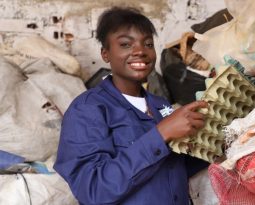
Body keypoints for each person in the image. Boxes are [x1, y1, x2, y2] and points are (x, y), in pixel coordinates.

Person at [54, 7, 209, 205]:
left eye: (148, 44)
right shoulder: (87, 110)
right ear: (105, 54)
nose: (140, 51)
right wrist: (161, 134)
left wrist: (212, 143)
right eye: (126, 44)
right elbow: (94, 190)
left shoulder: (160, 105)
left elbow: (171, 171)